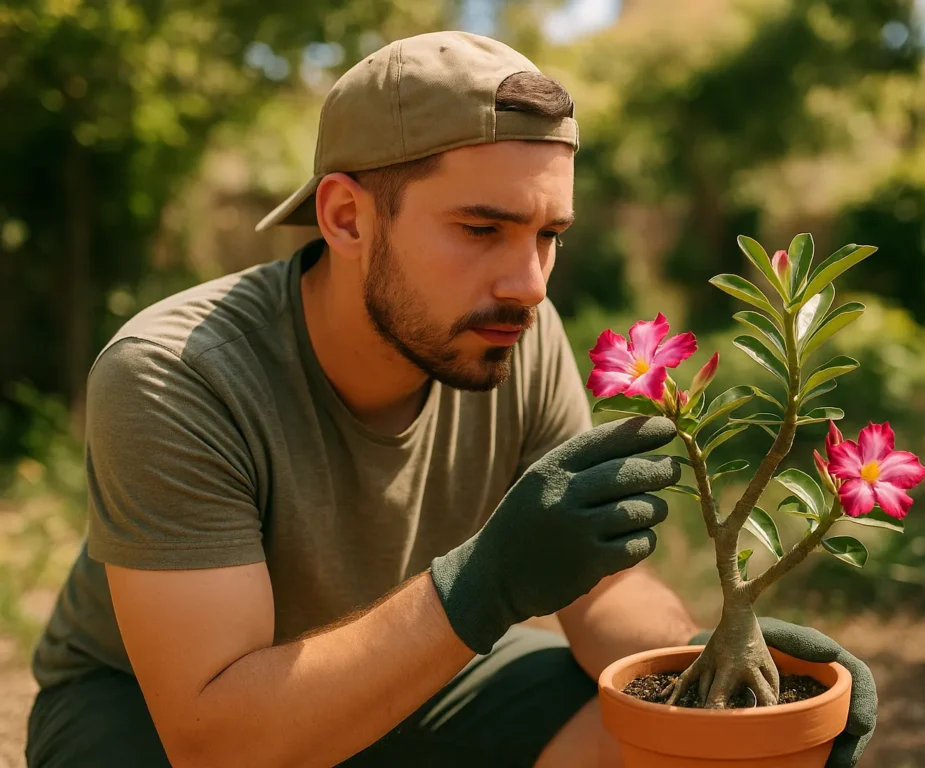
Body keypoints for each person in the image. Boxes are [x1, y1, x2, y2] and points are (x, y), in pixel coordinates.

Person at [24, 30, 877, 768]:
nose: (530, 285)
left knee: (662, 740)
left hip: (415, 670)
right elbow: (220, 741)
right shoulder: (178, 374)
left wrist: (721, 666)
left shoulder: (509, 333)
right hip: (158, 715)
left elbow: (599, 593)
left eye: (549, 236)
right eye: (482, 230)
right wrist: (483, 585)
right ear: (348, 218)